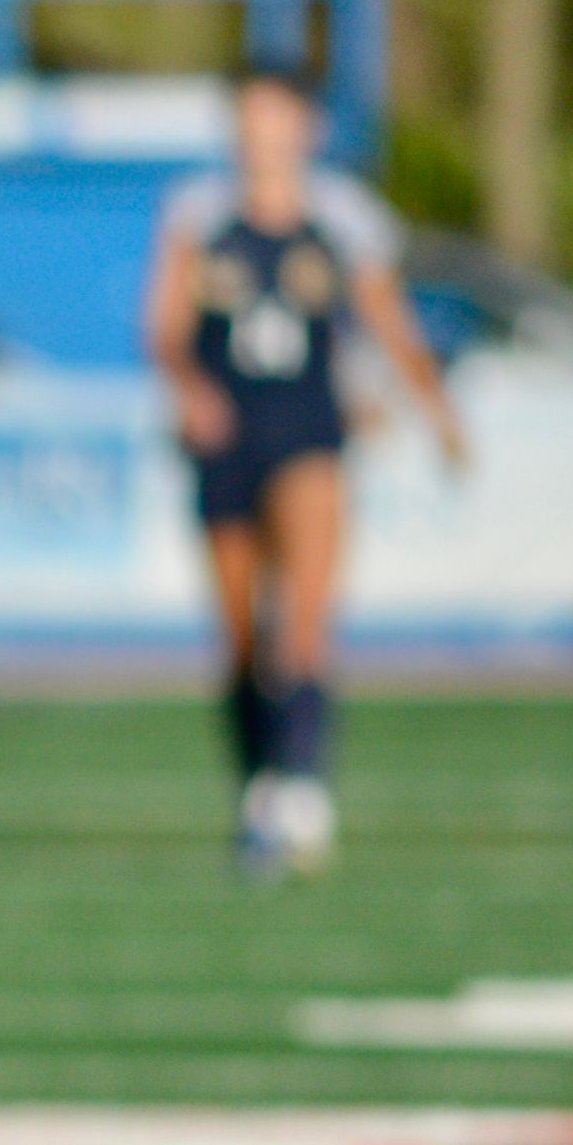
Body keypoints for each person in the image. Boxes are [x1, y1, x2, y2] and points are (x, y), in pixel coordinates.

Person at [142, 66, 464, 878]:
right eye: (250, 116)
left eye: (276, 115)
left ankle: (303, 790)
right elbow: (165, 327)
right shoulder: (199, 215)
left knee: (305, 624)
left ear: (307, 127)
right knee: (242, 634)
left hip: (308, 428)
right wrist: (190, 390)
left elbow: (392, 325)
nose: (261, 133)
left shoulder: (345, 218)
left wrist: (438, 416)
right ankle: (259, 785)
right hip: (227, 436)